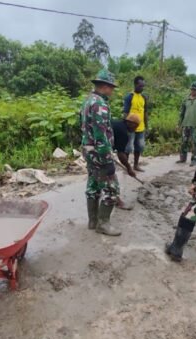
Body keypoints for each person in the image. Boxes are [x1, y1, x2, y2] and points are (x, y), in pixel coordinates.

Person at [81, 69, 121, 236]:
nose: (112, 91)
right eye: (111, 87)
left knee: (93, 184)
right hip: (99, 152)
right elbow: (100, 134)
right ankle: (103, 223)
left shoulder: (87, 101)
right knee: (112, 188)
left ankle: (92, 220)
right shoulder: (99, 105)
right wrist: (107, 159)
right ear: (104, 86)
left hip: (88, 150)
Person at [111, 113, 141, 210]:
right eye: (136, 126)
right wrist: (129, 168)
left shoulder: (116, 123)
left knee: (97, 178)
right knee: (111, 176)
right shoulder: (123, 132)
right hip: (101, 153)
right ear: (131, 123)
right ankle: (117, 201)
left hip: (92, 150)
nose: (136, 129)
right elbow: (121, 154)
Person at [122, 76, 149, 172]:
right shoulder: (129, 97)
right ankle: (127, 166)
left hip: (141, 127)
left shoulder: (144, 98)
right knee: (128, 147)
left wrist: (147, 126)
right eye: (140, 86)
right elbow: (125, 113)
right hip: (130, 128)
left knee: (140, 146)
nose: (142, 88)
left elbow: (145, 113)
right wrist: (124, 126)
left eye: (143, 86)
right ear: (135, 85)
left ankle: (136, 165)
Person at [176, 81, 196, 166]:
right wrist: (179, 124)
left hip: (195, 125)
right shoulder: (185, 99)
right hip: (185, 124)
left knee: (194, 142)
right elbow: (181, 113)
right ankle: (182, 158)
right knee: (183, 142)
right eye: (194, 89)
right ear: (191, 89)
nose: (195, 91)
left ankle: (194, 160)